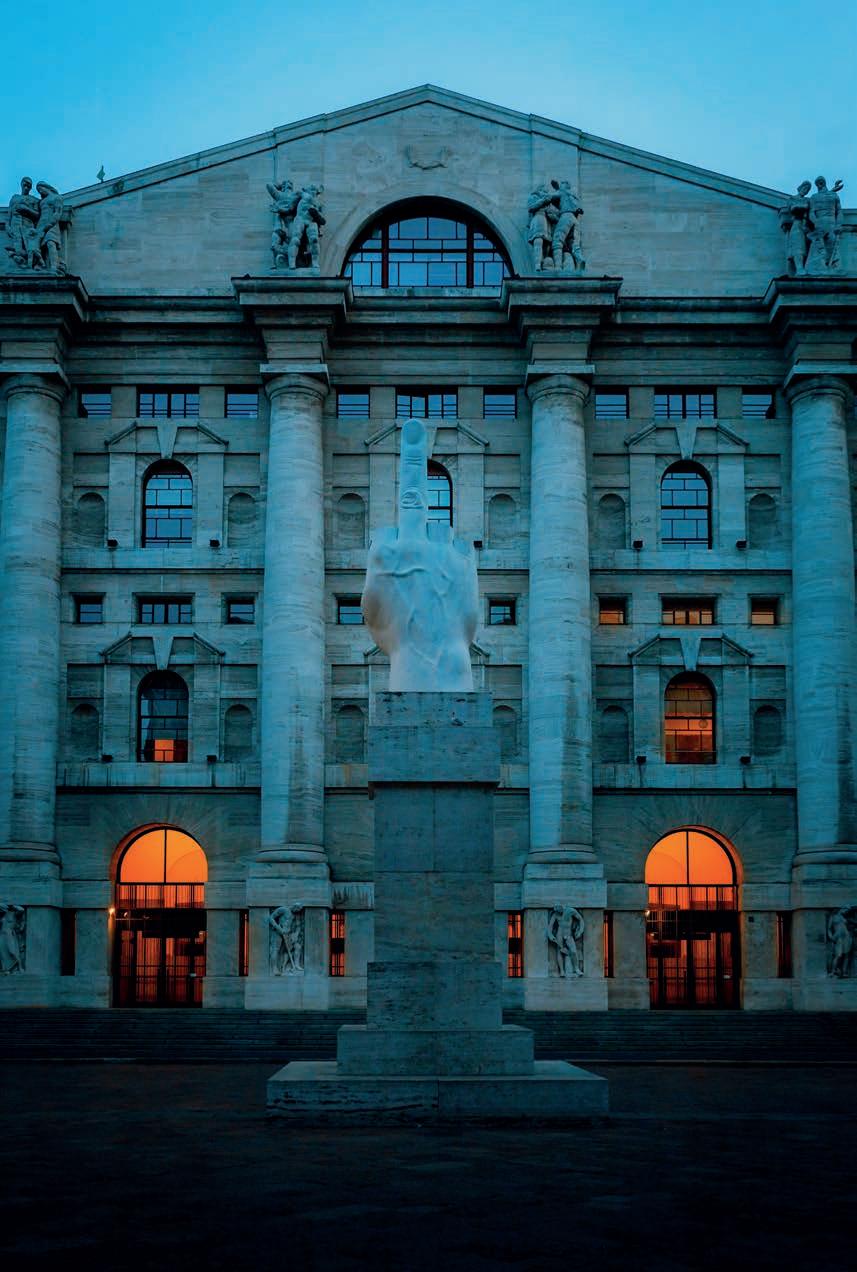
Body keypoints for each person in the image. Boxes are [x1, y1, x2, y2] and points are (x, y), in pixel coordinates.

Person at [806, 176, 844, 272]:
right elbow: (811, 213)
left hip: (831, 222)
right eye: (818, 182)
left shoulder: (834, 195)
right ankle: (819, 267)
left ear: (824, 182)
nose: (820, 183)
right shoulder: (814, 197)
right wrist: (816, 222)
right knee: (818, 246)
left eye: (821, 181)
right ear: (817, 185)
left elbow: (839, 211)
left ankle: (833, 267)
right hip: (820, 222)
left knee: (832, 245)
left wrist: (838, 224)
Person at [549, 179, 585, 273]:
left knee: (557, 240)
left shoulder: (562, 192)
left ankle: (558, 267)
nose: (560, 185)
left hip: (566, 216)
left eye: (562, 184)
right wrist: (557, 188)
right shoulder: (573, 194)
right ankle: (580, 260)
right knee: (573, 245)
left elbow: (551, 197)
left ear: (564, 185)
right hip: (574, 219)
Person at [287, 184, 325, 271]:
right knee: (295, 239)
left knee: (314, 241)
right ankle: (292, 261)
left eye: (314, 190)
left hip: (311, 221)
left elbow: (321, 218)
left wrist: (317, 216)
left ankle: (315, 262)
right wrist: (290, 207)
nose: (313, 191)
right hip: (300, 218)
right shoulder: (304, 194)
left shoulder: (318, 203)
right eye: (312, 189)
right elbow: (292, 201)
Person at [778, 181, 812, 276]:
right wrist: (804, 207)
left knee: (807, 247)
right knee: (798, 246)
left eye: (808, 190)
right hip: (797, 224)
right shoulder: (792, 199)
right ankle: (799, 268)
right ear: (800, 187)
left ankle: (805, 267)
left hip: (806, 226)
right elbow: (793, 208)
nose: (806, 191)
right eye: (805, 188)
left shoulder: (808, 200)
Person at [4, 177, 40, 266]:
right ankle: (18, 257)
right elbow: (9, 214)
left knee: (30, 248)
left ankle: (17, 256)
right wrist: (7, 226)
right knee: (19, 248)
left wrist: (26, 209)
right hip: (15, 225)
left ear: (31, 187)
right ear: (21, 184)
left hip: (28, 225)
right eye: (25, 183)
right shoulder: (14, 198)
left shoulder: (34, 200)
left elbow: (37, 215)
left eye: (29, 184)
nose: (27, 185)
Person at [546, 904, 585, 977]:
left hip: (568, 934)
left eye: (559, 911)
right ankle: (562, 971)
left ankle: (576, 968)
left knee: (573, 951)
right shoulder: (555, 914)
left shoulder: (570, 911)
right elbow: (550, 926)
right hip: (559, 934)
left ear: (562, 908)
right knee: (559, 951)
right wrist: (551, 935)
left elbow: (580, 919)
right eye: (557, 911)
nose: (558, 912)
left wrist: (580, 931)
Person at [527, 184, 556, 271]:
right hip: (538, 218)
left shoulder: (548, 200)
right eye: (545, 189)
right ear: (540, 189)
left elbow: (553, 212)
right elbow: (531, 207)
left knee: (547, 245)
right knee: (538, 240)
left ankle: (544, 264)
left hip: (547, 221)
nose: (546, 191)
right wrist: (543, 201)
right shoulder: (534, 196)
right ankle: (537, 265)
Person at [828, 907, 854, 978]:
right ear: (841, 909)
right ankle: (833, 971)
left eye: (848, 910)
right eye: (846, 909)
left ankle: (844, 972)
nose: (846, 911)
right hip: (838, 937)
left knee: (846, 955)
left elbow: (849, 926)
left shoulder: (845, 917)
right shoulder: (833, 917)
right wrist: (831, 937)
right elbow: (829, 928)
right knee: (838, 955)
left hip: (847, 937)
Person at [0, 904, 25, 975]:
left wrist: (13, 906)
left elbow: (21, 910)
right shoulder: (2, 916)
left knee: (12, 951)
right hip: (2, 935)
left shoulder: (13, 914)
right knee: (2, 953)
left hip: (9, 934)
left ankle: (20, 967)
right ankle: (5, 969)